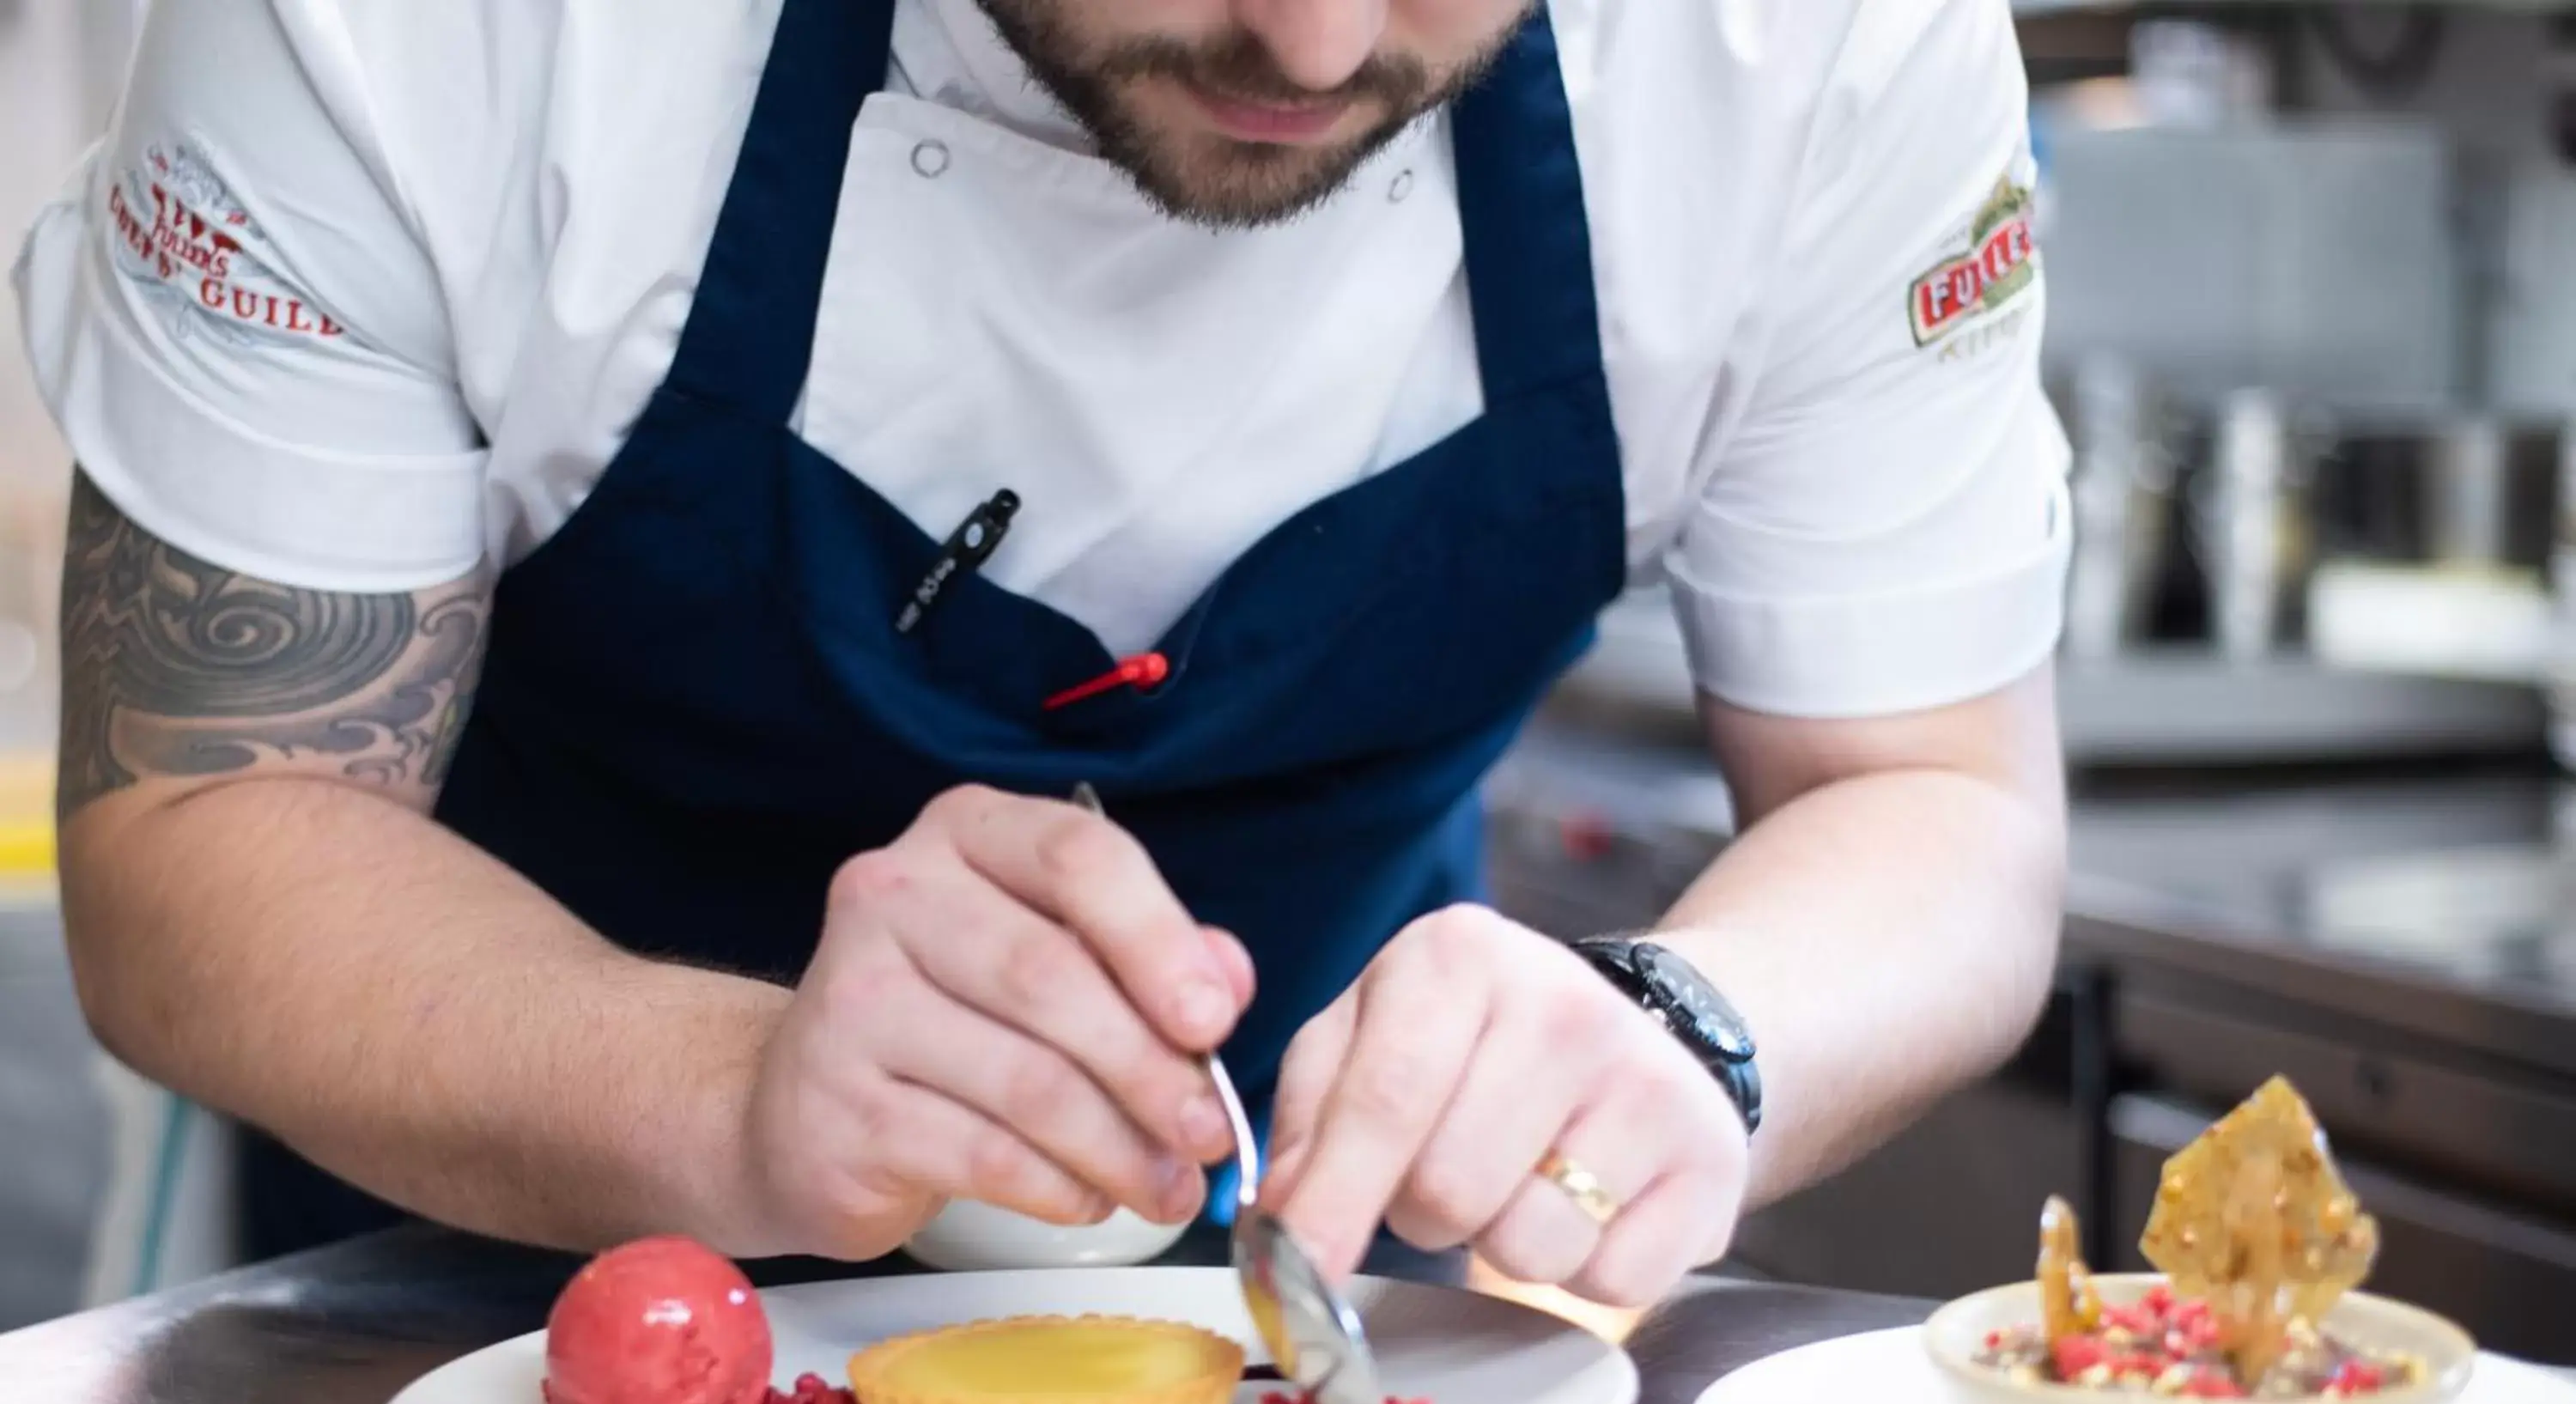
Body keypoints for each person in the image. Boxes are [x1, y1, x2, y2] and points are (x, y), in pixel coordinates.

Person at [13, 0, 2069, 1305]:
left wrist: (1696, 1025)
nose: (1320, 39)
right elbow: (209, 819)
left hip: (1338, 1389)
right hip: (489, 1356)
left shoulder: (1821, 53)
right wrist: (739, 1098)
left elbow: (1940, 799)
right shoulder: (441, 32)